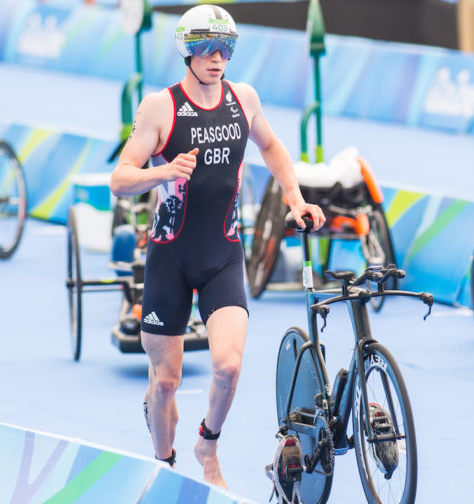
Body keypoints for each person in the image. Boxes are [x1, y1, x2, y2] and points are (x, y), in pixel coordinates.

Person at [109, 4, 325, 488]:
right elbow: (119, 180)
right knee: (165, 383)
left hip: (223, 255)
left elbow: (270, 147)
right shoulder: (159, 107)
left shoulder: (242, 99)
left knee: (227, 365)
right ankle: (163, 466)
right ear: (188, 51)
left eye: (225, 48)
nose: (217, 58)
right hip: (170, 258)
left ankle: (207, 444)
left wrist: (296, 199)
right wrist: (163, 171)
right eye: (207, 48)